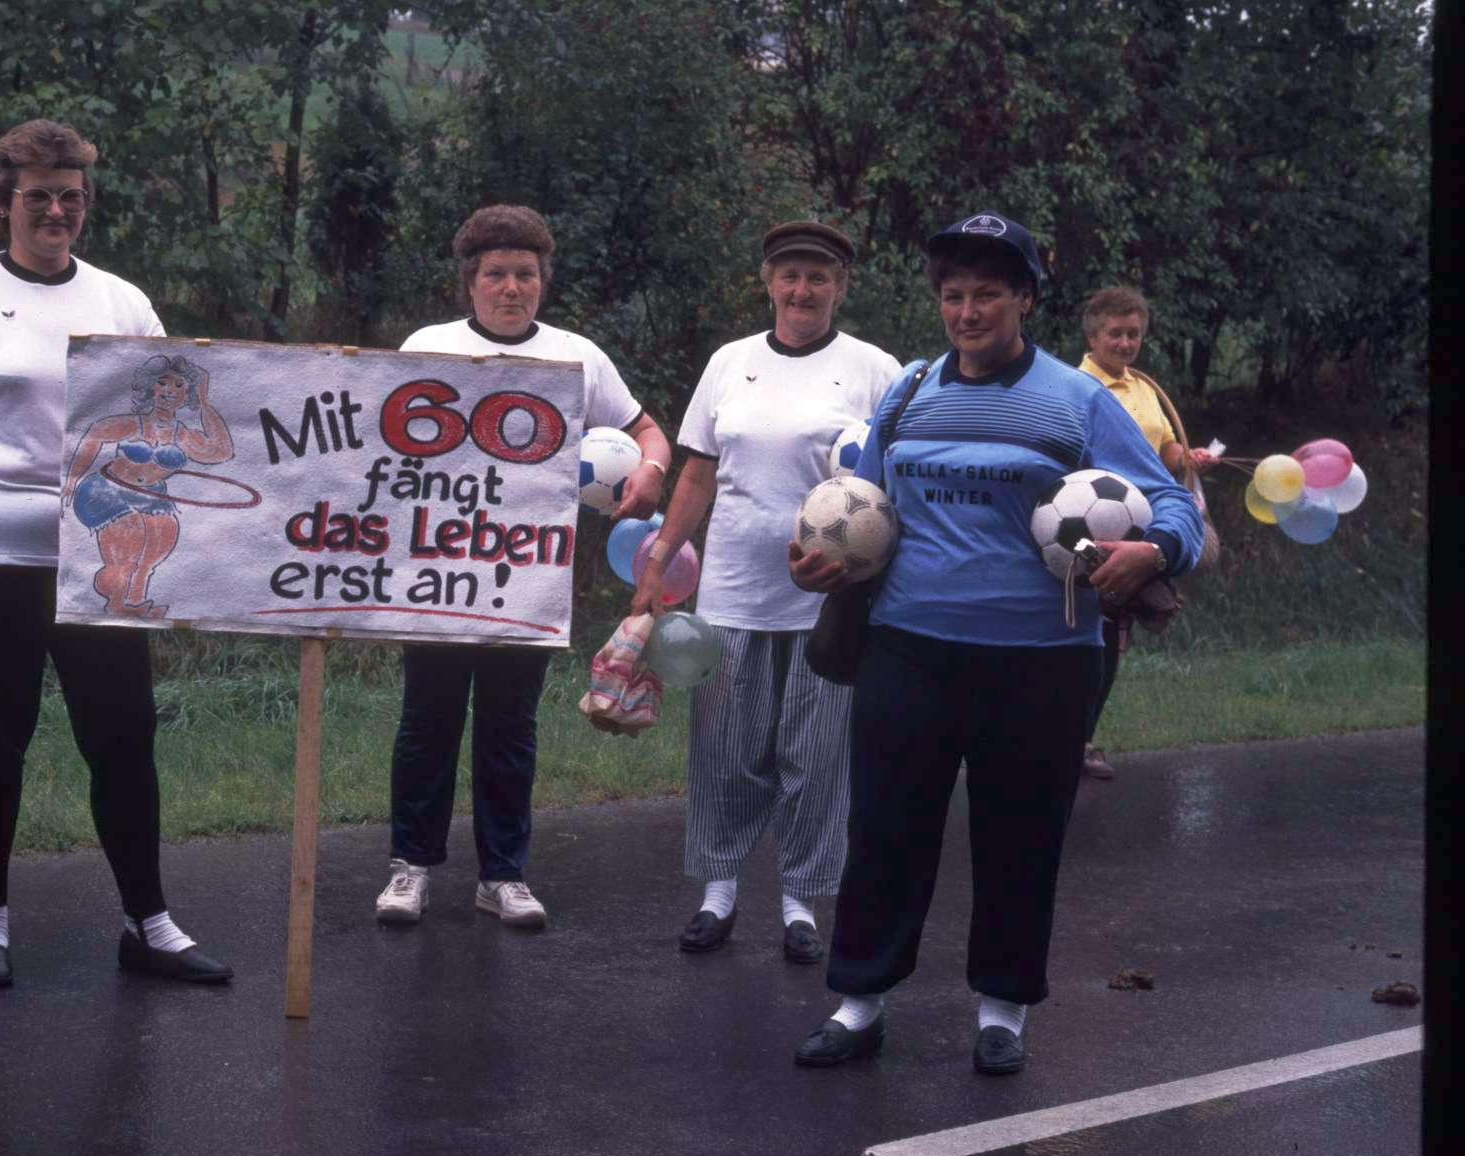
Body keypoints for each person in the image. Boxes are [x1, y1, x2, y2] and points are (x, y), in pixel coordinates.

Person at [788, 213, 1202, 1074]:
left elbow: (1170, 502)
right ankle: (859, 1001)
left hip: (1041, 660)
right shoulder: (909, 391)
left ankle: (1003, 1012)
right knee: (886, 832)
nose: (967, 312)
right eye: (953, 296)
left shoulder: (1077, 400)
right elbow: (862, 506)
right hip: (908, 648)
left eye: (987, 294)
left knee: (1021, 838)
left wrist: (1157, 550)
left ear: (1025, 299)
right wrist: (825, 562)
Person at [0, 119, 230, 988]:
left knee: (124, 737)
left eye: (71, 197)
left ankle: (148, 923)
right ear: (5, 201)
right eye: (38, 196)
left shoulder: (122, 302)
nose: (56, 212)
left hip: (105, 558)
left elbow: (176, 415)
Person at [374, 204, 671, 929]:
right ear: (470, 281)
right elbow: (382, 444)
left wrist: (652, 470)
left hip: (527, 573)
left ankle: (502, 875)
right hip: (437, 571)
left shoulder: (577, 355)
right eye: (497, 274)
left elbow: (647, 431)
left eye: (526, 275)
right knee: (427, 720)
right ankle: (410, 867)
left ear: (543, 280)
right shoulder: (429, 346)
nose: (512, 288)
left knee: (509, 725)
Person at [629, 221, 900, 962]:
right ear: (768, 282)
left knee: (816, 755)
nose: (802, 290)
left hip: (831, 601)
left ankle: (799, 903)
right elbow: (697, 473)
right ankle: (717, 894)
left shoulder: (874, 370)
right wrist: (658, 563)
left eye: (818, 277)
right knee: (726, 749)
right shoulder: (730, 363)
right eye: (789, 275)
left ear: (840, 285)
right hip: (733, 591)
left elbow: (896, 482)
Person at [1076, 285, 1217, 781]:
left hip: (1143, 527)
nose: (1125, 343)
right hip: (1093, 526)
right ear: (1092, 337)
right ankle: (1064, 739)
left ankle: (1082, 739)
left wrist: (1189, 458)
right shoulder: (1076, 388)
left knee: (1114, 636)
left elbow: (1166, 453)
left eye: (1133, 334)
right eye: (1115, 334)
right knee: (1089, 633)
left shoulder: (1144, 388)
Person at [62, 353, 236, 618]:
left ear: (187, 393)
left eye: (179, 385)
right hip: (107, 490)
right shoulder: (135, 424)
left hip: (150, 496)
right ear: (150, 387)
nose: (169, 390)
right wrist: (74, 476)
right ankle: (115, 601)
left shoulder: (183, 436)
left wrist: (204, 402)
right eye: (162, 382)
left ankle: (135, 601)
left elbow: (221, 450)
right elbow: (95, 433)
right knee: (129, 535)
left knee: (162, 536)